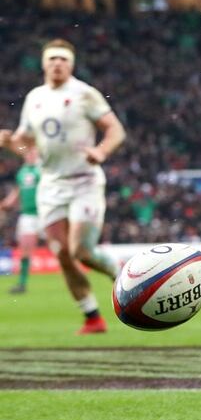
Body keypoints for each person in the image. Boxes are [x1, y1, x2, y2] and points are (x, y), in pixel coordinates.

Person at [0, 39, 126, 335]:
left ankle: (121, 273)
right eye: (52, 58)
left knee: (81, 251)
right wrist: (9, 144)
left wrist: (102, 152)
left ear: (71, 64)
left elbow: (116, 129)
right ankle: (92, 317)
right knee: (62, 254)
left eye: (63, 59)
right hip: (51, 185)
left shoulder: (85, 94)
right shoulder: (34, 98)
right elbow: (25, 146)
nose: (57, 63)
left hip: (84, 181)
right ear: (44, 63)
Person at [1, 147, 42, 294]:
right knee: (25, 249)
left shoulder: (43, 170)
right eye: (28, 153)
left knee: (63, 250)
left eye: (33, 152)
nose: (31, 155)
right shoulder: (22, 172)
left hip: (45, 213)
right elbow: (18, 191)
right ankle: (22, 284)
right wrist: (7, 202)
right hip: (28, 215)